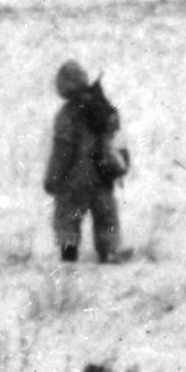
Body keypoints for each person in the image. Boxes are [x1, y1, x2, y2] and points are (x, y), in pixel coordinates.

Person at [44, 59, 125, 263]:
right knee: (106, 216)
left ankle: (68, 253)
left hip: (74, 178)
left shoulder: (67, 114)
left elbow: (63, 150)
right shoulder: (102, 107)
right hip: (101, 172)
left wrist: (53, 178)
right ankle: (109, 250)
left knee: (67, 217)